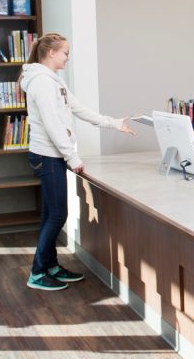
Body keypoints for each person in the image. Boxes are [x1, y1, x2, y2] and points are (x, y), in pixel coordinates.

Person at [20, 33, 134, 291]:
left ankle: (49, 266)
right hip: (47, 156)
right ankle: (38, 273)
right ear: (51, 53)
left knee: (51, 213)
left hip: (52, 156)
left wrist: (114, 123)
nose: (68, 57)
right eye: (65, 53)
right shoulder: (41, 82)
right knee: (58, 213)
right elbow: (52, 125)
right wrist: (72, 157)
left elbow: (79, 110)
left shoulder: (52, 81)